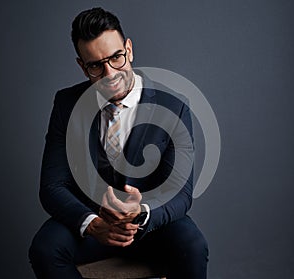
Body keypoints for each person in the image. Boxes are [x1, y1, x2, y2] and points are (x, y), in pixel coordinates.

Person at [29, 7, 209, 279]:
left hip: (150, 227)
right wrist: (93, 224)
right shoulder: (67, 104)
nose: (110, 73)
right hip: (93, 228)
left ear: (129, 49)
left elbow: (180, 193)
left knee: (193, 245)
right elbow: (52, 186)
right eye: (95, 66)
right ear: (82, 65)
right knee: (45, 249)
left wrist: (141, 213)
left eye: (116, 58)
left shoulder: (174, 108)